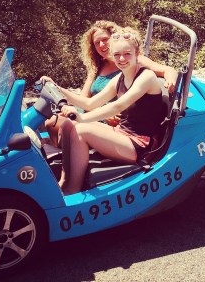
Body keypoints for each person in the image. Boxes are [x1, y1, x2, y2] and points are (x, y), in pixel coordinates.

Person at [45, 27, 169, 195]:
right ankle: (64, 181)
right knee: (68, 125)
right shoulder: (121, 77)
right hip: (122, 134)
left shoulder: (147, 76)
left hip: (139, 144)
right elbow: (90, 102)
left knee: (81, 130)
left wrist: (82, 118)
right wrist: (57, 88)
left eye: (127, 54)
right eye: (117, 55)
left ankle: (71, 189)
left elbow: (117, 106)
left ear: (136, 52)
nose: (122, 59)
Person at [44, 20, 177, 147]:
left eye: (105, 40)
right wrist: (58, 91)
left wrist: (170, 80)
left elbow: (167, 70)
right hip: (97, 114)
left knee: (68, 127)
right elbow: (86, 101)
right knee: (52, 122)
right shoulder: (97, 68)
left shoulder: (133, 60)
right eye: (97, 43)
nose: (102, 45)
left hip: (117, 120)